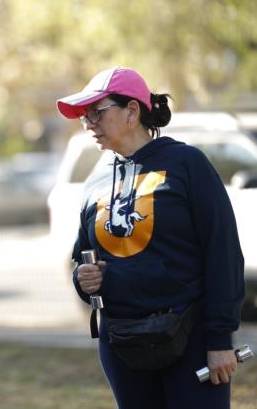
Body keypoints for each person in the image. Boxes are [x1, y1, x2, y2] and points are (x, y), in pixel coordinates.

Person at [56, 67, 245, 409]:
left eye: (97, 113)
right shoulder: (95, 181)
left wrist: (220, 339)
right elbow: (82, 258)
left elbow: (224, 252)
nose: (88, 124)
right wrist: (83, 279)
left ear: (132, 111)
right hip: (121, 343)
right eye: (84, 117)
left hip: (191, 338)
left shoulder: (187, 163)